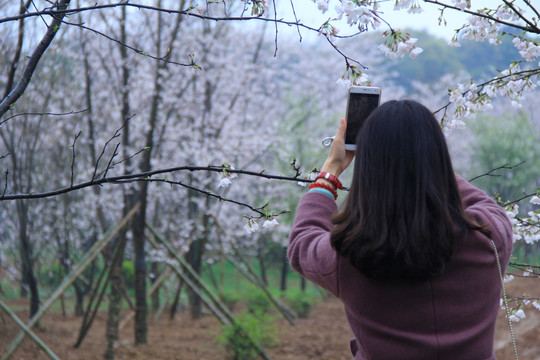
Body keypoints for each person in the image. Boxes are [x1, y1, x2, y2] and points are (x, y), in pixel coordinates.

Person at [288, 100, 513, 360]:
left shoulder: (349, 255)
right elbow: (481, 203)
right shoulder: (490, 237)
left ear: (368, 172)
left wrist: (330, 172)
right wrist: (423, 162)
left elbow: (303, 241)